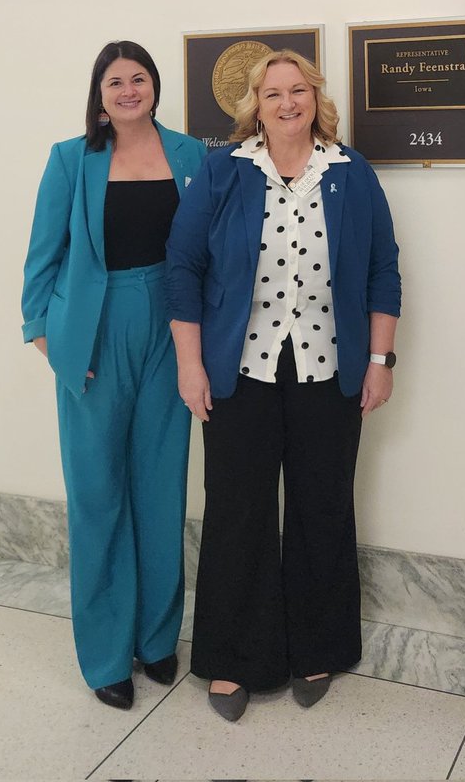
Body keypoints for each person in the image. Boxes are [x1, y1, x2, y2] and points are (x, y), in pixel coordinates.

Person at [166, 48, 400, 722]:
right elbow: (183, 268)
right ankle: (233, 659)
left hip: (330, 371)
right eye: (273, 94)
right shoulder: (224, 171)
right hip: (242, 370)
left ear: (316, 97)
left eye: (298, 91)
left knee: (322, 505)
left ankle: (316, 647)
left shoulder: (351, 173)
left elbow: (384, 269)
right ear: (255, 106)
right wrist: (190, 363)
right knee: (238, 509)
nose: (287, 103)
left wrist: (381, 361)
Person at [21, 41, 207, 710]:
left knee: (160, 490)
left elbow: (205, 249)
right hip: (93, 335)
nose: (129, 90)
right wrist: (50, 340)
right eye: (115, 81)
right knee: (98, 496)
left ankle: (156, 640)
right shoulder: (70, 159)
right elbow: (41, 262)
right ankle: (105, 655)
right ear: (98, 93)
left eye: (139, 78)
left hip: (173, 331)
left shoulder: (191, 155)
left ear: (154, 86)